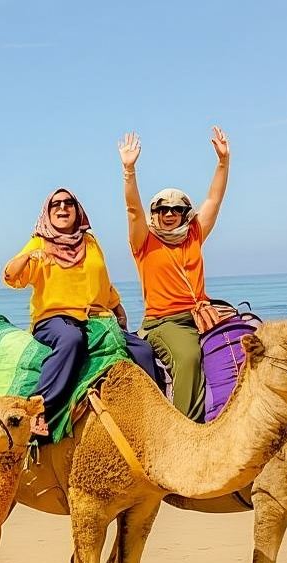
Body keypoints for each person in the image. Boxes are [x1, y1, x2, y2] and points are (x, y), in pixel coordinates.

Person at [2, 188, 164, 435]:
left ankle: (155, 412)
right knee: (71, 340)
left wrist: (117, 307)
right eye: (55, 204)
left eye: (69, 203)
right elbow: (11, 276)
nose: (62, 208)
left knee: (142, 350)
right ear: (47, 212)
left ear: (77, 210)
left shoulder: (90, 242)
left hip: (97, 317)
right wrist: (28, 256)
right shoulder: (39, 242)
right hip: (55, 319)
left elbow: (102, 279)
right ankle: (39, 407)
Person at [120, 126, 231, 421]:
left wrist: (223, 163)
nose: (169, 214)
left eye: (176, 209)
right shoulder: (144, 241)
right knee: (189, 357)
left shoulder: (193, 234)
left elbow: (214, 199)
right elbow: (133, 210)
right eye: (162, 209)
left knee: (245, 339)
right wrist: (129, 171)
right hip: (164, 321)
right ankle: (186, 426)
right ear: (154, 214)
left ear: (185, 214)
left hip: (202, 312)